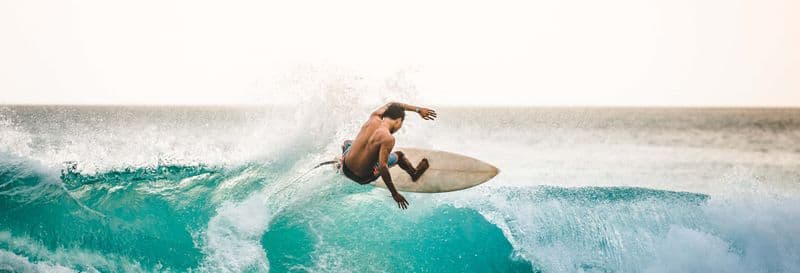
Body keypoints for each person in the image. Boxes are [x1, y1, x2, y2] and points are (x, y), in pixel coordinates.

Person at [340, 102, 437, 210]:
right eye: (401, 124)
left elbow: (392, 104)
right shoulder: (388, 138)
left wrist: (418, 109)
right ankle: (414, 173)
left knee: (347, 143)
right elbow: (383, 167)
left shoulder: (374, 117)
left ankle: (341, 161)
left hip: (346, 168)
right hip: (362, 178)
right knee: (399, 156)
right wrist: (394, 193)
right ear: (398, 121)